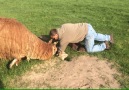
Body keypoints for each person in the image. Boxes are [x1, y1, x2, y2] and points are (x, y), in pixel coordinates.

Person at [49, 23, 114, 60]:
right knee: (95, 35)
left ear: (56, 34)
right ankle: (109, 37)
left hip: (87, 33)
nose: (54, 39)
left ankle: (104, 45)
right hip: (87, 26)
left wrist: (57, 53)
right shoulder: (63, 26)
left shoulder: (64, 39)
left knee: (90, 49)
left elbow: (61, 49)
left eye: (54, 38)